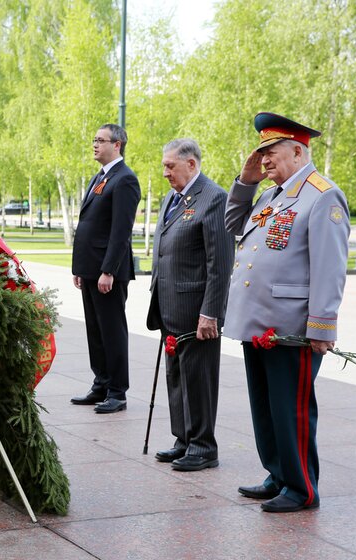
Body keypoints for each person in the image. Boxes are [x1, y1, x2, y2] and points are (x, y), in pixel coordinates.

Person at [224, 112, 350, 513]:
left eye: (270, 152)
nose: (264, 161)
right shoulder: (270, 195)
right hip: (258, 320)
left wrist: (322, 325)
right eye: (261, 153)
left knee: (290, 407)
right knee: (265, 406)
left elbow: (330, 267)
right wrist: (245, 182)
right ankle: (278, 473)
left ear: (298, 151)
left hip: (291, 325)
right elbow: (232, 224)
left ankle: (301, 489)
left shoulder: (322, 195)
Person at [145, 138, 234, 471]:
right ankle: (183, 439)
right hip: (169, 305)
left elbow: (220, 264)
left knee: (199, 379)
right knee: (177, 377)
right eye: (164, 166)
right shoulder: (172, 197)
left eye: (171, 166)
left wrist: (210, 312)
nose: (165, 173)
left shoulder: (214, 199)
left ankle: (203, 446)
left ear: (191, 164)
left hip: (198, 311)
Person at [70, 123, 141, 414]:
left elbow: (121, 230)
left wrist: (108, 270)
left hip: (107, 272)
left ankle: (117, 391)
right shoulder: (101, 176)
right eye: (94, 140)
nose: (95, 145)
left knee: (112, 331)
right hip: (90, 268)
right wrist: (80, 267)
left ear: (118, 144)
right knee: (96, 331)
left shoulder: (124, 179)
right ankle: (100, 383)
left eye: (101, 140)